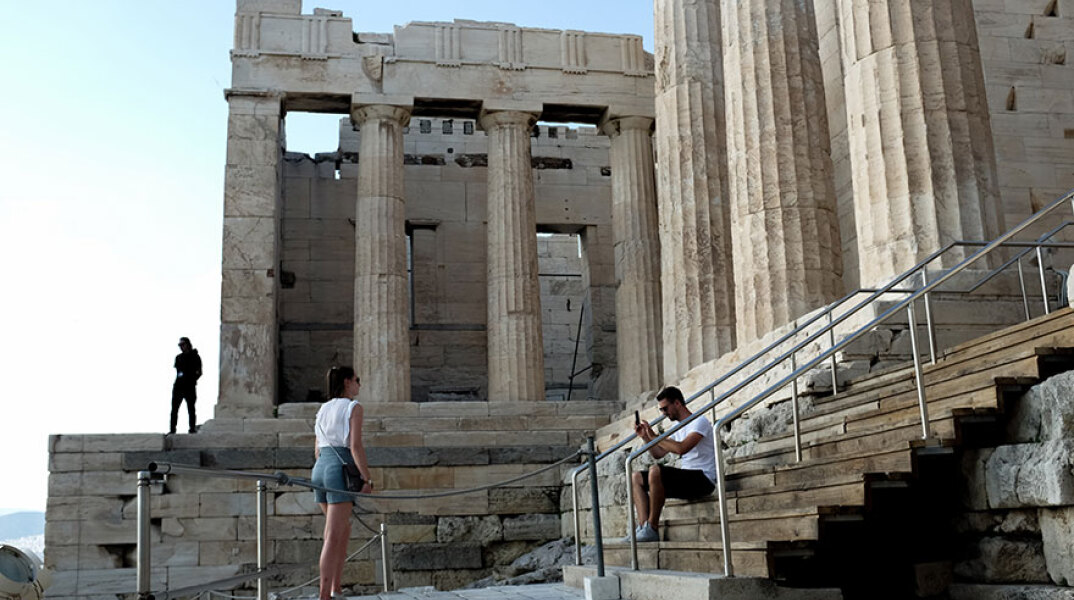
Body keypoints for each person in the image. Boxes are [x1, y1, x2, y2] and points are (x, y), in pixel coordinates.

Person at [312, 366, 372, 600]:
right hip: (340, 469)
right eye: (358, 380)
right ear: (347, 382)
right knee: (333, 534)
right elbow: (355, 446)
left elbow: (317, 450)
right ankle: (324, 595)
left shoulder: (322, 409)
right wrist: (367, 478)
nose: (359, 384)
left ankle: (336, 588)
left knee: (342, 530)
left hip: (320, 469)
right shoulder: (353, 407)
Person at [628, 386, 716, 542]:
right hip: (687, 478)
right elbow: (658, 454)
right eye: (661, 410)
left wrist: (656, 437)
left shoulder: (699, 421)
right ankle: (643, 528)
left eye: (665, 408)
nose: (663, 413)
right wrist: (646, 438)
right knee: (636, 477)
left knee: (656, 471)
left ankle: (653, 527)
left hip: (704, 479)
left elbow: (681, 448)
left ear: (677, 403)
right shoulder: (677, 427)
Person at [170, 337, 202, 434]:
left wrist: (192, 379)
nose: (181, 347)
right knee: (174, 409)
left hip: (190, 386)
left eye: (183, 344)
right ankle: (172, 430)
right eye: (180, 345)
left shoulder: (195, 356)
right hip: (179, 386)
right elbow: (178, 370)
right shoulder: (179, 357)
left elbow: (199, 372)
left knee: (191, 409)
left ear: (188, 344)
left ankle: (192, 429)